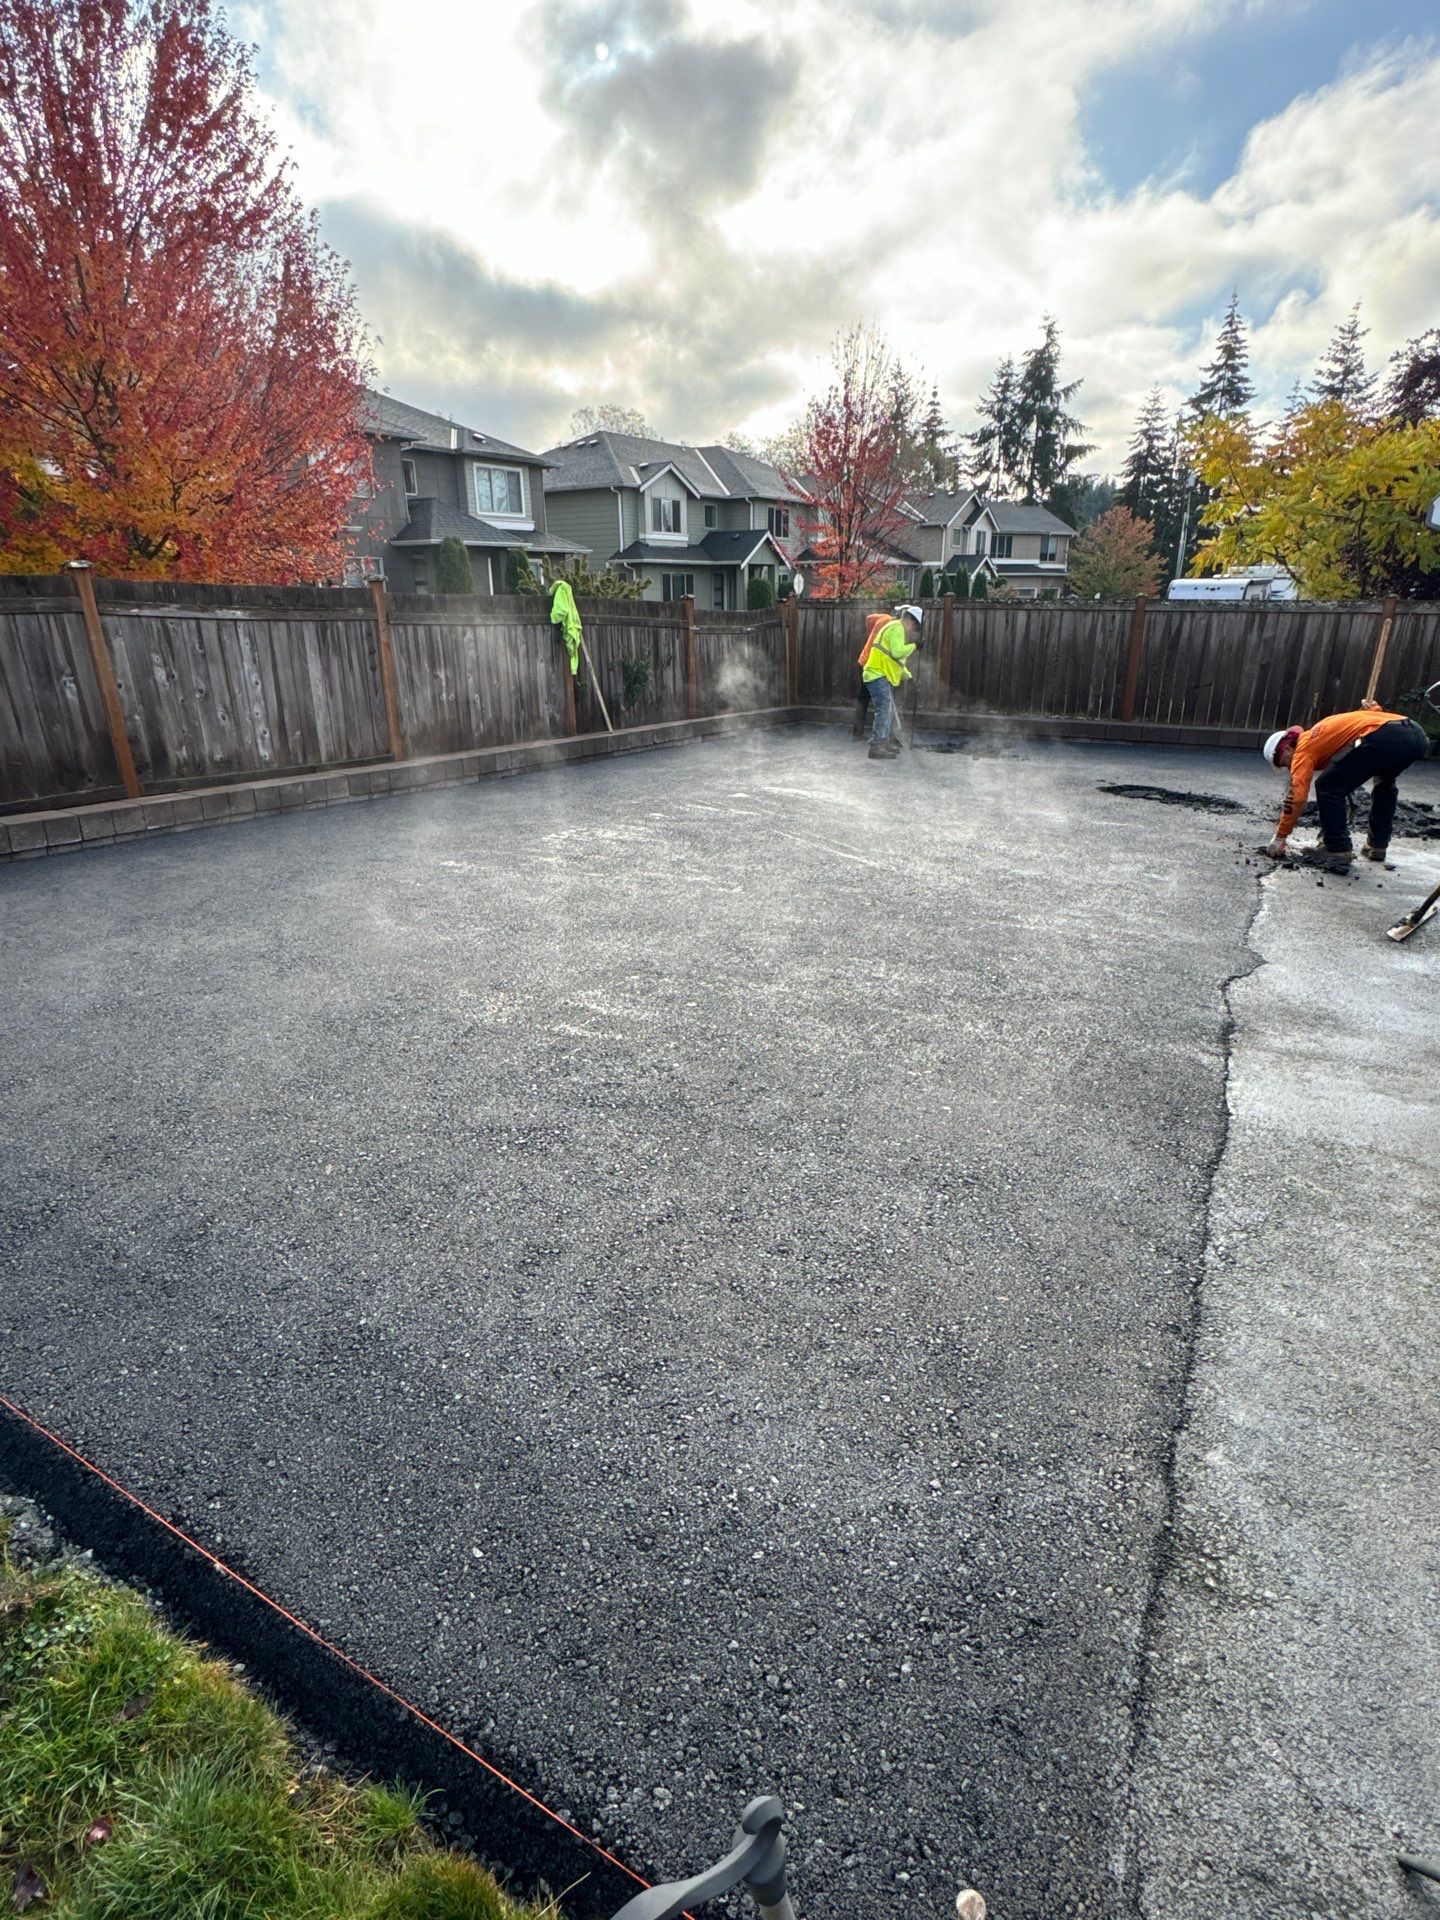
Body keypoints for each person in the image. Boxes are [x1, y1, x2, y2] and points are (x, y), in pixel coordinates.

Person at [1261, 702, 1431, 872]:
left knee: (1328, 786)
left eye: (1284, 762)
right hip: (1415, 735)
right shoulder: (1323, 730)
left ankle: (1337, 848)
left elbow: (1297, 797)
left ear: (1286, 748)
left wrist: (1280, 836)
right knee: (1385, 782)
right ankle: (1377, 845)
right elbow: (1371, 714)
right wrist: (1372, 708)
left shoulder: (1303, 748)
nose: (1289, 768)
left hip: (1384, 735)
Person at [861, 603, 922, 761]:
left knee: (886, 710)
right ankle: (876, 747)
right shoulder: (897, 627)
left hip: (880, 674)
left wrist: (910, 678)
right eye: (914, 627)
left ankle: (883, 742)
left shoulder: (895, 628)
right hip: (877, 673)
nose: (912, 631)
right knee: (884, 710)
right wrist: (914, 646)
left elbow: (897, 662)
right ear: (911, 621)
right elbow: (897, 652)